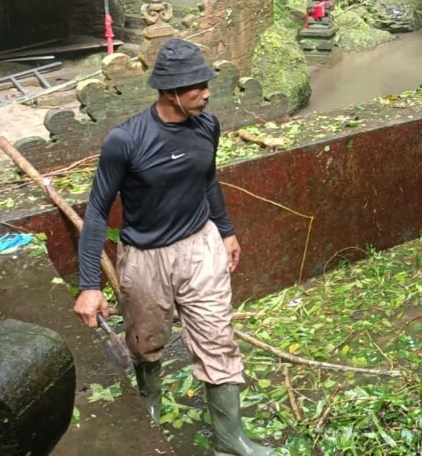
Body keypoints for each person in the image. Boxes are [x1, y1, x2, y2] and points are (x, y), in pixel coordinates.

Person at [73, 38, 274, 456]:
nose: (205, 93)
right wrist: (89, 284)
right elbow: (96, 212)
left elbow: (208, 180)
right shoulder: (125, 141)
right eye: (195, 86)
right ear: (168, 91)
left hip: (200, 249)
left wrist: (226, 229)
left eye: (205, 83)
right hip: (145, 259)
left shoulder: (207, 125)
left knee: (218, 339)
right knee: (145, 344)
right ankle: (150, 413)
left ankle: (230, 439)